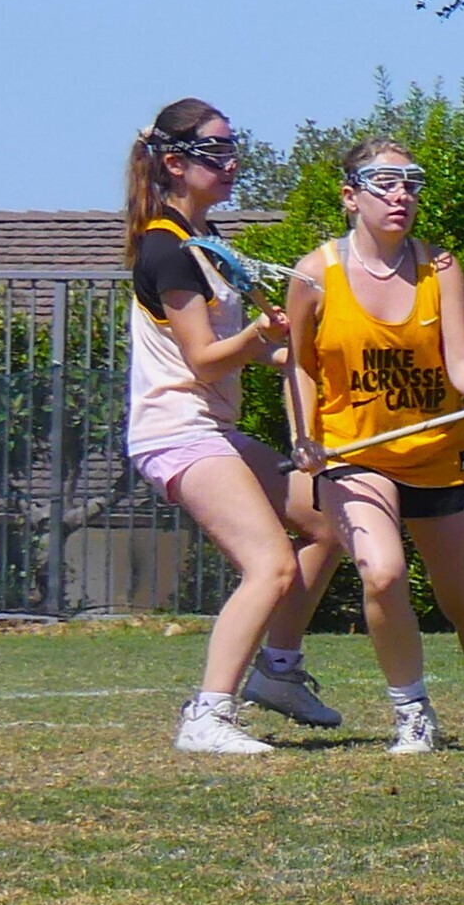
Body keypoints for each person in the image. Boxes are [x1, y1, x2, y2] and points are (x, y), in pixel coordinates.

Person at [282, 138, 464, 751]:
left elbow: (461, 363)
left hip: (434, 454)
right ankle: (412, 712)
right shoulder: (315, 273)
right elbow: (297, 365)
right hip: (352, 453)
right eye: (385, 183)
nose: (401, 195)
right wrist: (303, 434)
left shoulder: (440, 267)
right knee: (382, 574)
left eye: (411, 183)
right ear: (351, 196)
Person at [120, 100, 338, 754]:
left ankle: (276, 671)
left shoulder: (204, 246)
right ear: (175, 163)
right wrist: (256, 338)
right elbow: (205, 357)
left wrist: (304, 352)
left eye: (232, 146)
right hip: (176, 430)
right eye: (215, 150)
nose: (232, 161)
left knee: (330, 523)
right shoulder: (167, 251)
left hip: (212, 427)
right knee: (269, 563)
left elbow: (237, 351)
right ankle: (208, 714)